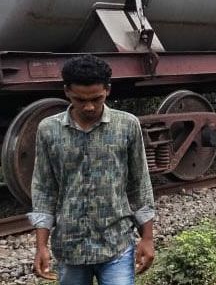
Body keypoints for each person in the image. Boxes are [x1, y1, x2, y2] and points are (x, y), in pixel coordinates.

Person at [30, 55, 155, 284]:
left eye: (96, 99)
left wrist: (147, 238)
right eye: (80, 99)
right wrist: (41, 246)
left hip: (116, 244)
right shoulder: (48, 130)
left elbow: (139, 184)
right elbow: (44, 190)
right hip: (70, 248)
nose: (89, 106)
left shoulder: (127, 125)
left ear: (107, 90)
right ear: (67, 91)